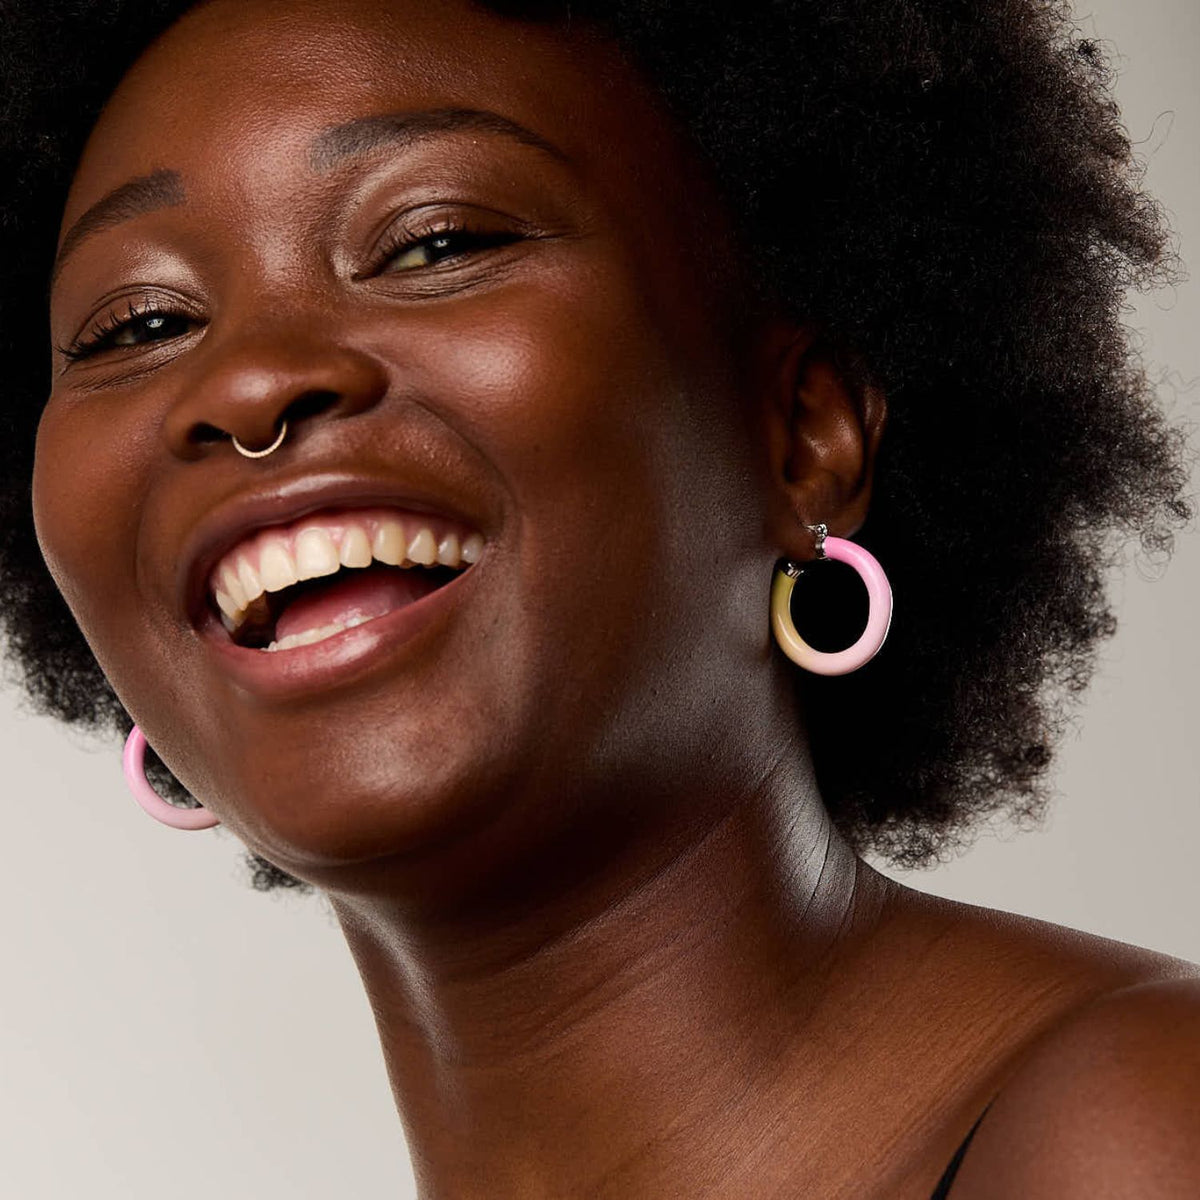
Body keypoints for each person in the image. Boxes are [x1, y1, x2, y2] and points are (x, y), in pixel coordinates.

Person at [2, 0, 1197, 1195]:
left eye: (434, 243)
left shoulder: (1138, 1128)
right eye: (139, 324)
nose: (252, 382)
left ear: (803, 440)